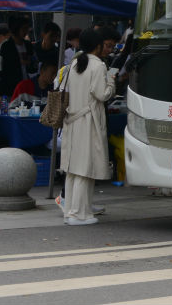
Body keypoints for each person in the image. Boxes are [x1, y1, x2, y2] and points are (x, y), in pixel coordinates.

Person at [59, 28, 116, 226]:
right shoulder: (98, 66)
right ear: (98, 46)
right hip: (88, 121)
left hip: (72, 119)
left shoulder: (75, 62)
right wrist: (111, 81)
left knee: (73, 169)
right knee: (85, 168)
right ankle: (79, 214)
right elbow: (102, 94)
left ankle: (70, 211)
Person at [0, 17, 31, 98]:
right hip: (10, 88)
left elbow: (33, 64)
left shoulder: (28, 45)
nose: (26, 31)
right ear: (16, 29)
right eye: (24, 29)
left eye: (27, 28)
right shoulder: (6, 46)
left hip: (27, 86)